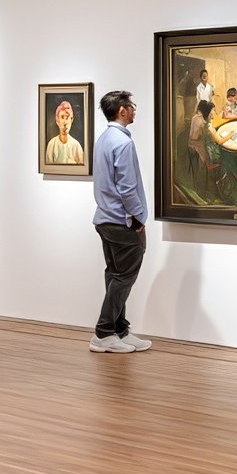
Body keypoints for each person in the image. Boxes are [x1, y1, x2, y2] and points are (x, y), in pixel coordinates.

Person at [89, 89, 152, 354]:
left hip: (105, 220)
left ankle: (119, 330)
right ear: (122, 111)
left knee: (115, 276)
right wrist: (138, 217)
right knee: (124, 277)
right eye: (132, 106)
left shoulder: (104, 138)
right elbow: (127, 188)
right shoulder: (123, 143)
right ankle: (104, 333)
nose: (135, 110)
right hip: (122, 222)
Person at [44, 98, 84, 166]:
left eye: (67, 117)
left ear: (71, 120)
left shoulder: (76, 146)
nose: (65, 122)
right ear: (57, 120)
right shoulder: (52, 145)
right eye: (62, 117)